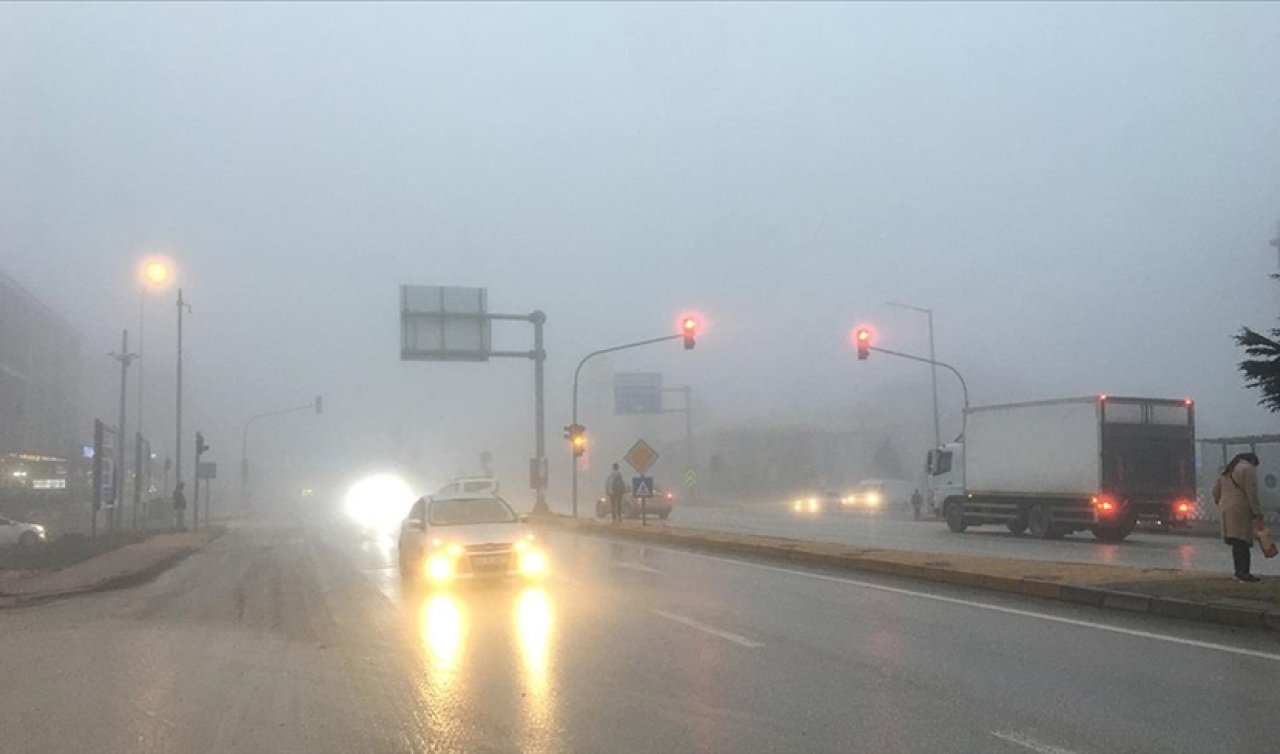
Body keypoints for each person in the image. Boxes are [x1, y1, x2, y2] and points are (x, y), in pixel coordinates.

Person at [1212, 452, 1264, 583]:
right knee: (1243, 542)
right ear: (1252, 461)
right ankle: (1244, 573)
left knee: (1236, 543)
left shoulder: (1227, 470)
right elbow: (1251, 492)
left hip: (1226, 509)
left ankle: (1238, 572)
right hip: (1240, 509)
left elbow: (1215, 490)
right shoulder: (1248, 469)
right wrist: (1257, 511)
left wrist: (1220, 502)